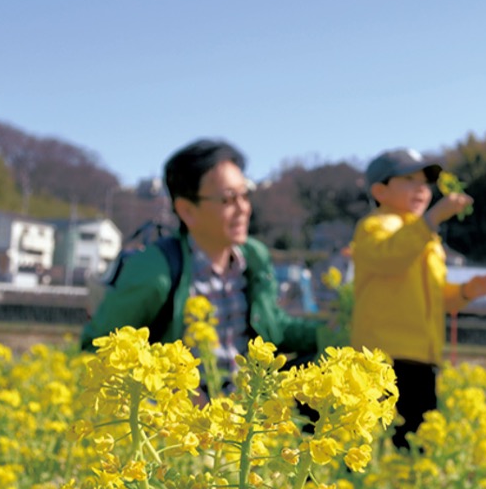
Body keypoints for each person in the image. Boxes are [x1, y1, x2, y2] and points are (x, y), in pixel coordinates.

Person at [81, 139, 320, 388]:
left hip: (247, 405)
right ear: (187, 210)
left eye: (245, 195)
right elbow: (94, 347)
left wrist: (332, 334)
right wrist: (175, 389)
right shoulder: (155, 269)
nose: (243, 208)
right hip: (183, 408)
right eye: (228, 199)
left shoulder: (255, 257)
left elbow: (274, 326)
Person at [349, 148, 486, 450]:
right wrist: (431, 220)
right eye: (408, 180)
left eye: (424, 182)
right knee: (375, 446)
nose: (421, 189)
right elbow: (390, 258)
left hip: (423, 357)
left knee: (416, 446)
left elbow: (438, 296)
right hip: (382, 358)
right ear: (379, 191)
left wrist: (466, 292)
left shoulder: (427, 238)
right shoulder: (373, 227)